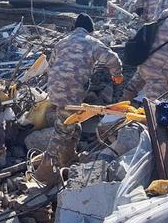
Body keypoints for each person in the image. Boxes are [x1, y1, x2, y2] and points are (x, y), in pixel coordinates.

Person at [35, 14, 124, 184]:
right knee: (62, 130)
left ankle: (68, 157)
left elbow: (51, 65)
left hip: (54, 89)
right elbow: (113, 59)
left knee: (73, 125)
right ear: (90, 29)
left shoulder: (62, 42)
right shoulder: (91, 42)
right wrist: (117, 75)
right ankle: (44, 169)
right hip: (71, 92)